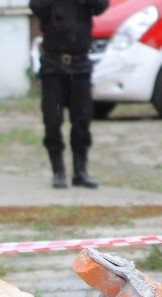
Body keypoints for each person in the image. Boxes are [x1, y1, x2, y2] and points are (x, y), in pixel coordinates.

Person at [30, 0, 108, 189]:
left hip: (80, 67)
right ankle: (58, 171)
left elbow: (101, 7)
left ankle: (80, 171)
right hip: (53, 67)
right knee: (52, 120)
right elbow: (36, 7)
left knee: (82, 120)